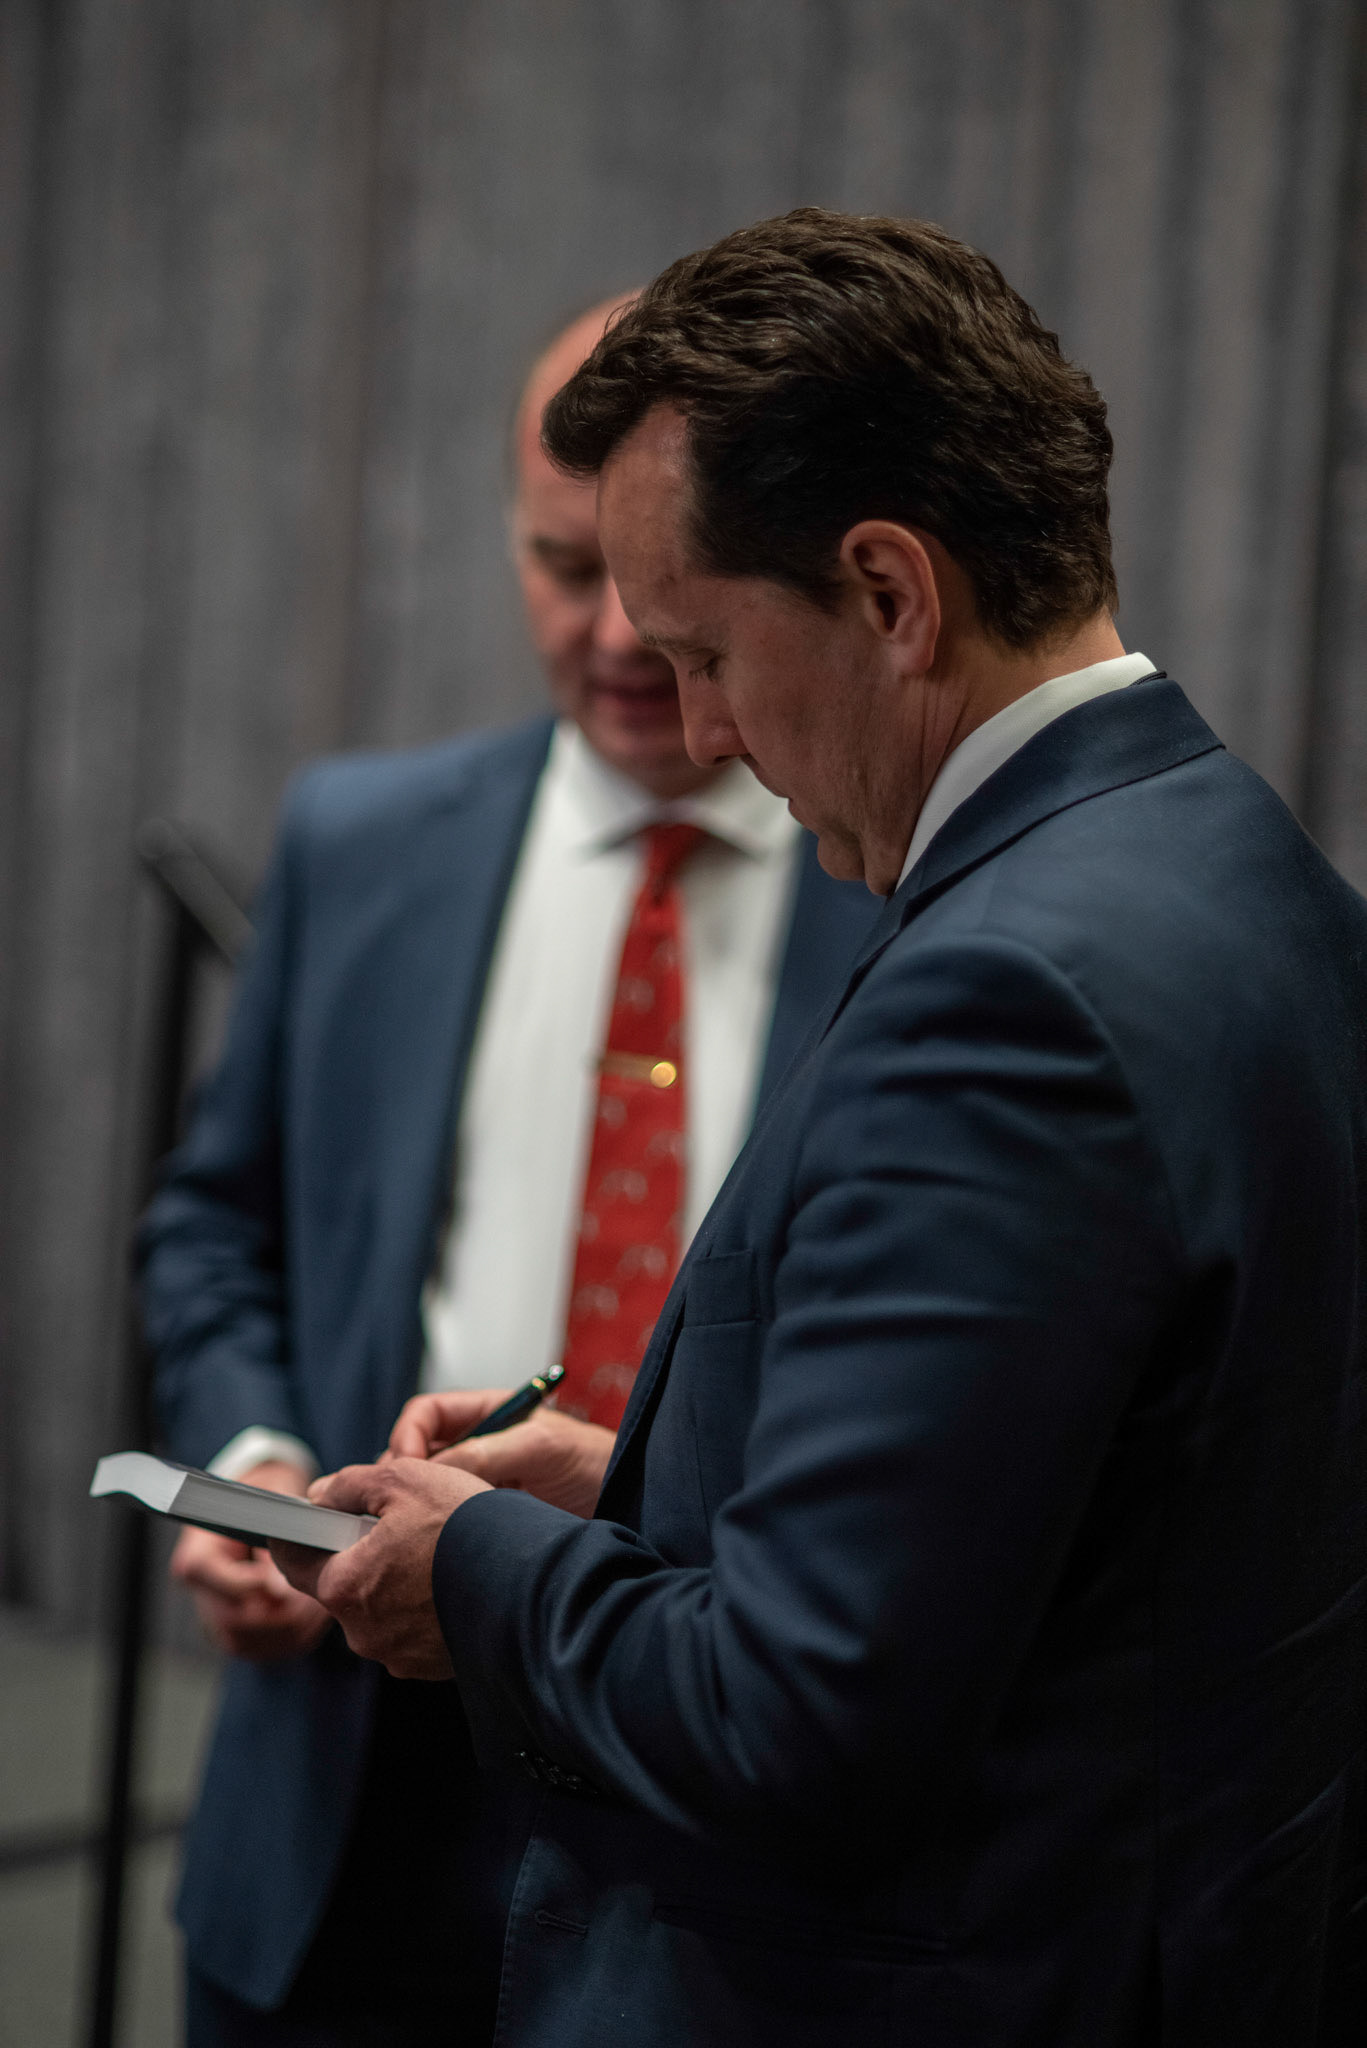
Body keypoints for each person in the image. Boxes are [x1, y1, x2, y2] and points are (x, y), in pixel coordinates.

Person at [278, 209, 1367, 2048]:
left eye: (705, 650)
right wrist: (636, 1488)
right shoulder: (1252, 871)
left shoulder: (1005, 995)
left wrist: (475, 1568)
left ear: (888, 590)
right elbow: (1061, 1509)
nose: (695, 725)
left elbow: (808, 1719)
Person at [138, 296, 876, 2046]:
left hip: (707, 1756)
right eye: (562, 568)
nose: (620, 635)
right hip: (346, 1768)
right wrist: (249, 1463)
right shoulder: (361, 839)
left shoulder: (907, 899)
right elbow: (212, 1227)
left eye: (658, 581)